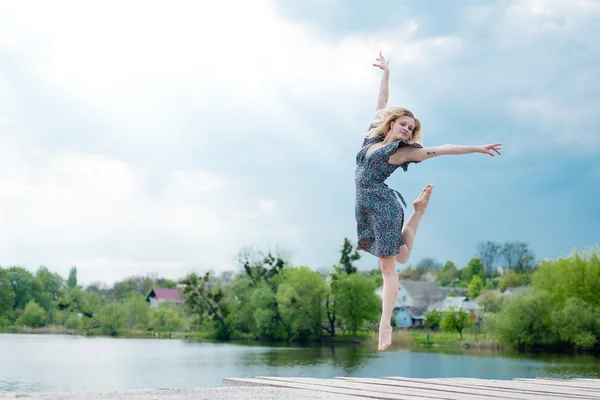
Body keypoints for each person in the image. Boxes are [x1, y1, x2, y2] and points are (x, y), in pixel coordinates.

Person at [355, 52, 502, 351]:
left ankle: (385, 324)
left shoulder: (402, 152)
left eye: (411, 128)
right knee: (403, 256)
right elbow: (381, 104)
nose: (407, 129)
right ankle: (418, 212)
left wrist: (477, 148)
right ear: (392, 123)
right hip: (366, 205)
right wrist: (386, 73)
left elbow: (442, 148)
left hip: (381, 205)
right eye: (403, 124)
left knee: (389, 268)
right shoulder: (372, 138)